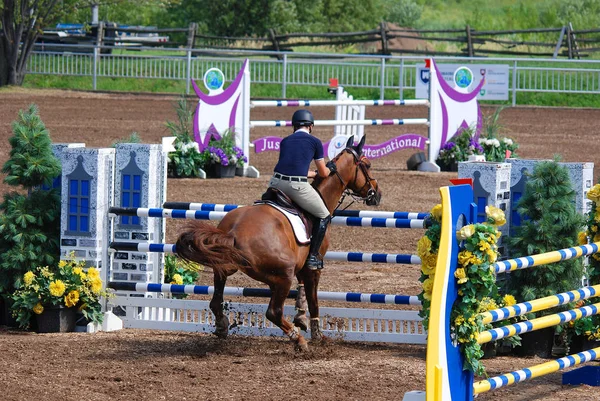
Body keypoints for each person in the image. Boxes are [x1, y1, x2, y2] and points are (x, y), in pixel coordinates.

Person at [269, 109, 336, 270]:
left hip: (275, 183)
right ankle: (313, 257)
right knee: (324, 214)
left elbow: (291, 167)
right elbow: (324, 173)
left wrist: (310, 173)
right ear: (310, 126)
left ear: (294, 126)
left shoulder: (285, 141)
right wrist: (329, 168)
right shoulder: (315, 142)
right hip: (296, 186)